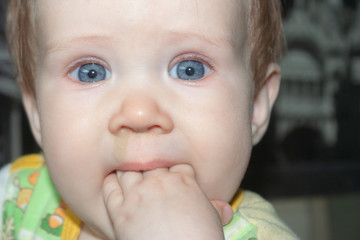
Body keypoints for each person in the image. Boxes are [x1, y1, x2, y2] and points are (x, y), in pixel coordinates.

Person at [0, 0, 299, 239]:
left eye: (189, 69)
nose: (139, 114)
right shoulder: (13, 198)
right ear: (37, 112)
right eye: (90, 72)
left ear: (255, 105)